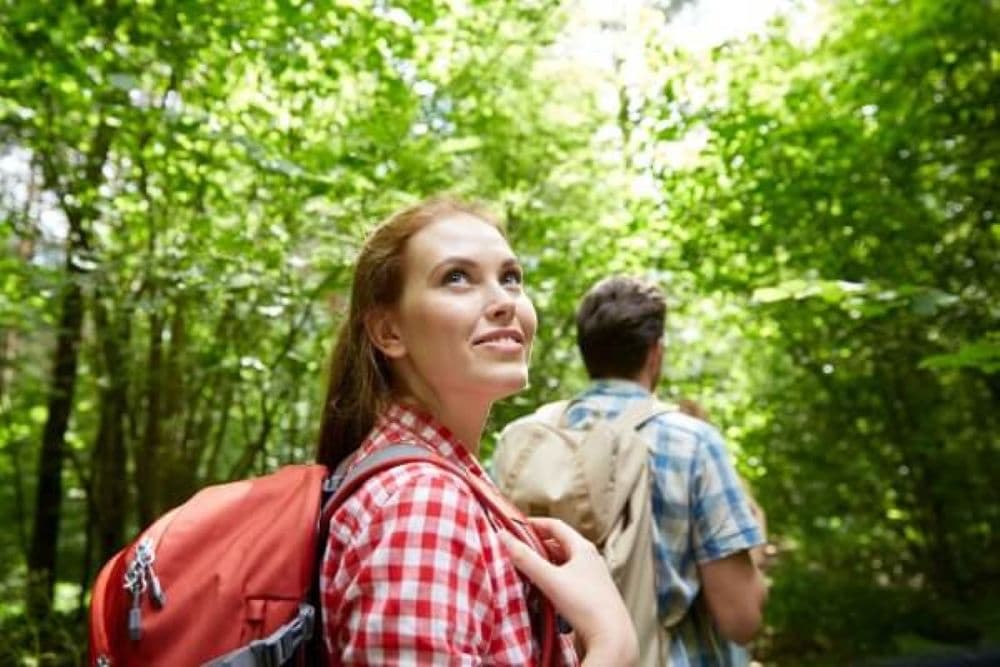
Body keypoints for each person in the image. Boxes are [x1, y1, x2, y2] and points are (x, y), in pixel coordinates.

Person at [315, 197, 638, 666]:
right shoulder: (422, 501)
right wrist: (613, 644)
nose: (505, 301)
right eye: (457, 277)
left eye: (510, 278)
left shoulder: (429, 483)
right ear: (389, 332)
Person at [558, 276, 768, 665]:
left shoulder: (533, 438)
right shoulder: (692, 442)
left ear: (587, 352)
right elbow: (740, 618)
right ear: (655, 354)